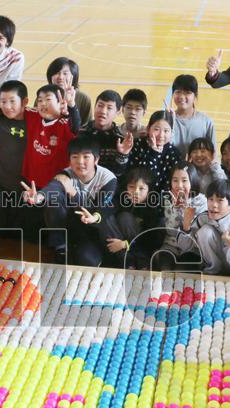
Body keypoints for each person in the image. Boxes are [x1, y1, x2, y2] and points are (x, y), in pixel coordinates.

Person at [21, 135, 116, 266]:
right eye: (75, 157)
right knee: (54, 199)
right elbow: (52, 189)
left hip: (93, 229)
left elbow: (102, 209)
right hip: (70, 225)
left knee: (88, 260)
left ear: (96, 159)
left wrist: (74, 193)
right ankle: (61, 246)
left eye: (86, 157)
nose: (80, 162)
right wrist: (38, 197)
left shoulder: (108, 179)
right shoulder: (65, 174)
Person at [97, 168, 163, 270]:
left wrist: (125, 244)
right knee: (106, 218)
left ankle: (139, 263)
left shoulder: (152, 208)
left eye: (141, 189)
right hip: (120, 250)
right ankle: (126, 262)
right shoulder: (121, 200)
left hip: (140, 249)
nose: (136, 192)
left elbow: (150, 239)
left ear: (149, 190)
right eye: (132, 187)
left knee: (125, 217)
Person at [0, 80, 29, 237]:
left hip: (23, 185)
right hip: (0, 182)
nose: (7, 106)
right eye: (3, 102)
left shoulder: (34, 120)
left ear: (24, 101)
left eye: (12, 101)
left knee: (18, 232)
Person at [21, 84, 80, 188]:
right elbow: (13, 109)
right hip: (30, 181)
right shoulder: (34, 115)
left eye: (48, 99)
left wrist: (71, 105)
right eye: (40, 100)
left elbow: (75, 126)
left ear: (60, 103)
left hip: (55, 186)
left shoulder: (64, 123)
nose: (43, 103)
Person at [153, 167, 206, 271]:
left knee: (181, 272)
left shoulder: (201, 202)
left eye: (184, 180)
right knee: (165, 270)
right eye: (175, 180)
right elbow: (170, 231)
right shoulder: (167, 199)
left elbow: (197, 232)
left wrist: (186, 210)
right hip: (170, 245)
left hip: (192, 248)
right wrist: (176, 209)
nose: (179, 185)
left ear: (192, 181)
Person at [123, 110, 181, 191]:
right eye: (156, 129)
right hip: (134, 194)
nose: (161, 135)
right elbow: (138, 176)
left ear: (171, 132)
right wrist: (153, 154)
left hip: (159, 198)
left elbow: (167, 184)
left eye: (166, 131)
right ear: (148, 128)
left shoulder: (174, 153)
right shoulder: (136, 145)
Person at [79, 89, 129, 178]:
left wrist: (123, 154)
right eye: (100, 105)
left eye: (109, 108)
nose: (103, 111)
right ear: (94, 107)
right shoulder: (81, 133)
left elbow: (118, 174)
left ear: (118, 112)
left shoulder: (120, 139)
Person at [168, 74, 215, 152]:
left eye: (187, 92)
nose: (182, 96)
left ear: (195, 95)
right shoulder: (166, 120)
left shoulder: (206, 122)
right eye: (178, 92)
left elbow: (213, 153)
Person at [46, 57, 90, 124]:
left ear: (73, 76)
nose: (60, 77)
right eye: (57, 73)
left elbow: (87, 126)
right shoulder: (43, 96)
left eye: (65, 73)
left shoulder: (83, 98)